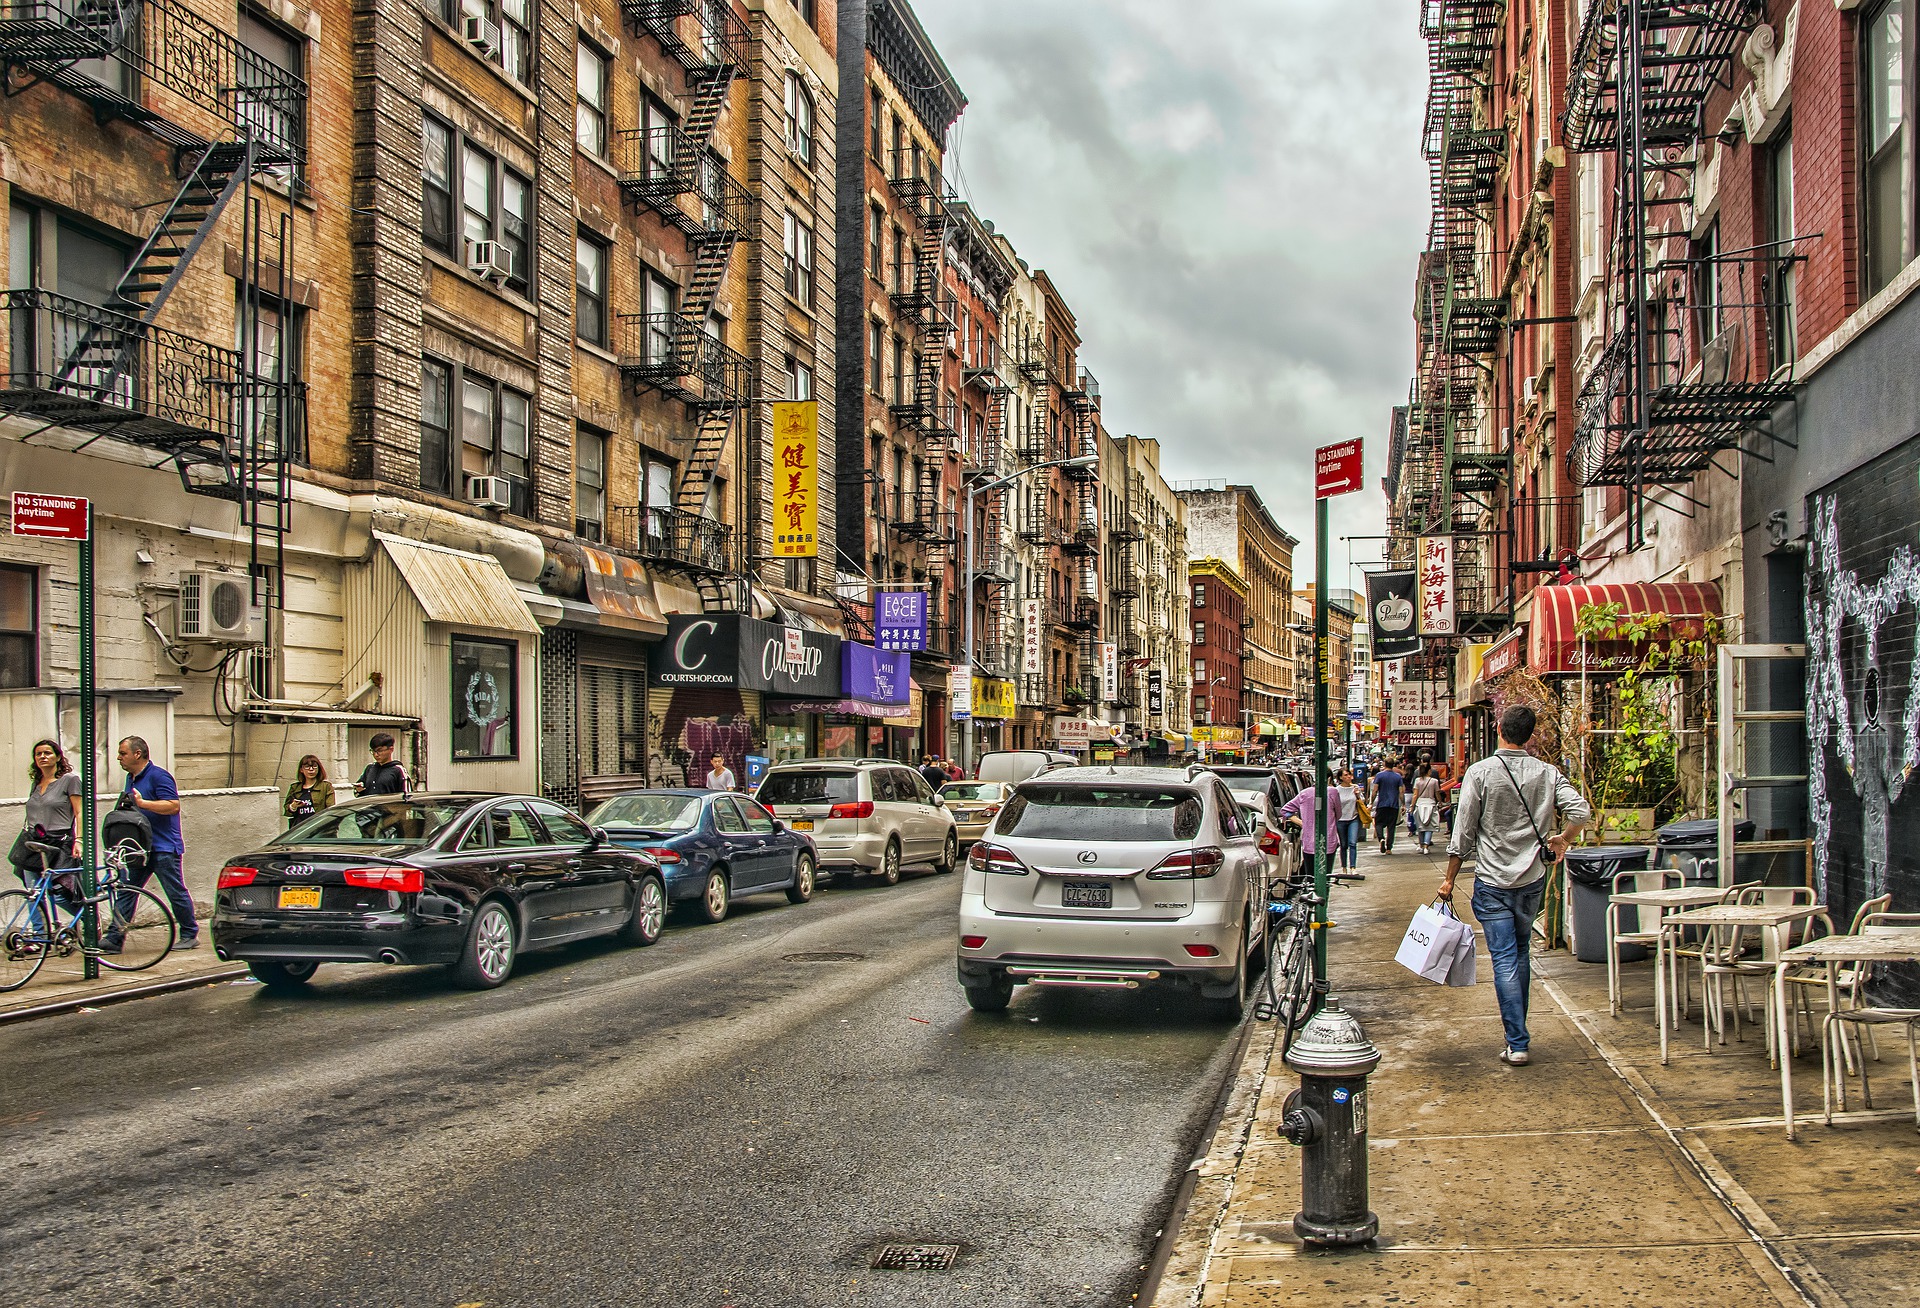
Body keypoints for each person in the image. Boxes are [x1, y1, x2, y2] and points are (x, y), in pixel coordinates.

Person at [1438, 705, 1591, 1066]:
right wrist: (1563, 840)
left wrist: (1449, 878)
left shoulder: (1480, 773)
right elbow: (1581, 812)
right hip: (1531, 880)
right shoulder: (1547, 772)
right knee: (1521, 953)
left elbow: (1463, 833)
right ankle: (1518, 1036)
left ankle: (1517, 1042)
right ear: (1529, 735)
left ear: (1499, 730)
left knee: (1505, 957)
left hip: (1493, 881)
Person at [106, 736, 197, 951]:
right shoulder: (131, 778)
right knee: (127, 891)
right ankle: (113, 938)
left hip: (163, 847)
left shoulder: (159, 776)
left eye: (123, 753)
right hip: (139, 848)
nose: (119, 758)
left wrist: (143, 803)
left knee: (175, 891)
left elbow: (173, 806)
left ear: (137, 754)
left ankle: (189, 933)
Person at [14, 738, 83, 883]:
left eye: (47, 753)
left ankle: (81, 907)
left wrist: (79, 840)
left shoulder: (70, 780)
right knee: (34, 891)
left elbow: (79, 812)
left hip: (58, 841)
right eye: (38, 754)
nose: (42, 757)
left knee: (62, 892)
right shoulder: (36, 784)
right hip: (34, 841)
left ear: (58, 757)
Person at [1276, 779, 1338, 870]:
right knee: (1326, 876)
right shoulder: (1333, 792)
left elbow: (1285, 810)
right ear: (1328, 778)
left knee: (1310, 876)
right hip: (1328, 840)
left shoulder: (1304, 793)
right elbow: (1339, 813)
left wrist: (1302, 823)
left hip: (1309, 842)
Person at [283, 754, 335, 826]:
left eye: (314, 766)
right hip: (300, 828)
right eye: (307, 767)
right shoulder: (295, 788)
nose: (311, 769)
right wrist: (293, 806)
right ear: (301, 769)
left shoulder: (326, 786)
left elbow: (330, 809)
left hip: (318, 827)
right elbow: (287, 812)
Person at [1369, 757, 1405, 853]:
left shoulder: (1379, 776)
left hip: (1382, 804)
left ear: (1384, 764)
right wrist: (1403, 804)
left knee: (1379, 823)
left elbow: (1375, 790)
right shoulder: (1398, 777)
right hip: (1394, 805)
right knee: (1391, 826)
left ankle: (1381, 838)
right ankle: (1389, 848)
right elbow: (1401, 792)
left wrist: (1371, 802)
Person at [1330, 768, 1363, 871]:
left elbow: (1362, 801)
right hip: (1341, 820)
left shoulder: (1355, 787)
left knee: (1352, 843)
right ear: (1340, 777)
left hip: (1353, 818)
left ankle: (1353, 867)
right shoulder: (1337, 790)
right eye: (1345, 775)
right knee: (1343, 845)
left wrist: (1358, 795)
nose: (1348, 777)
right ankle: (1344, 867)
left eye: (1349, 775)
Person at [1408, 762, 1441, 854]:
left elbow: (1415, 795)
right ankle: (1426, 846)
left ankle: (1421, 845)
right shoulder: (1434, 781)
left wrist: (1412, 806)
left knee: (1420, 827)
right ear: (1429, 771)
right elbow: (1437, 793)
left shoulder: (1417, 781)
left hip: (1420, 804)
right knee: (1429, 827)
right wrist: (1440, 802)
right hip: (1431, 804)